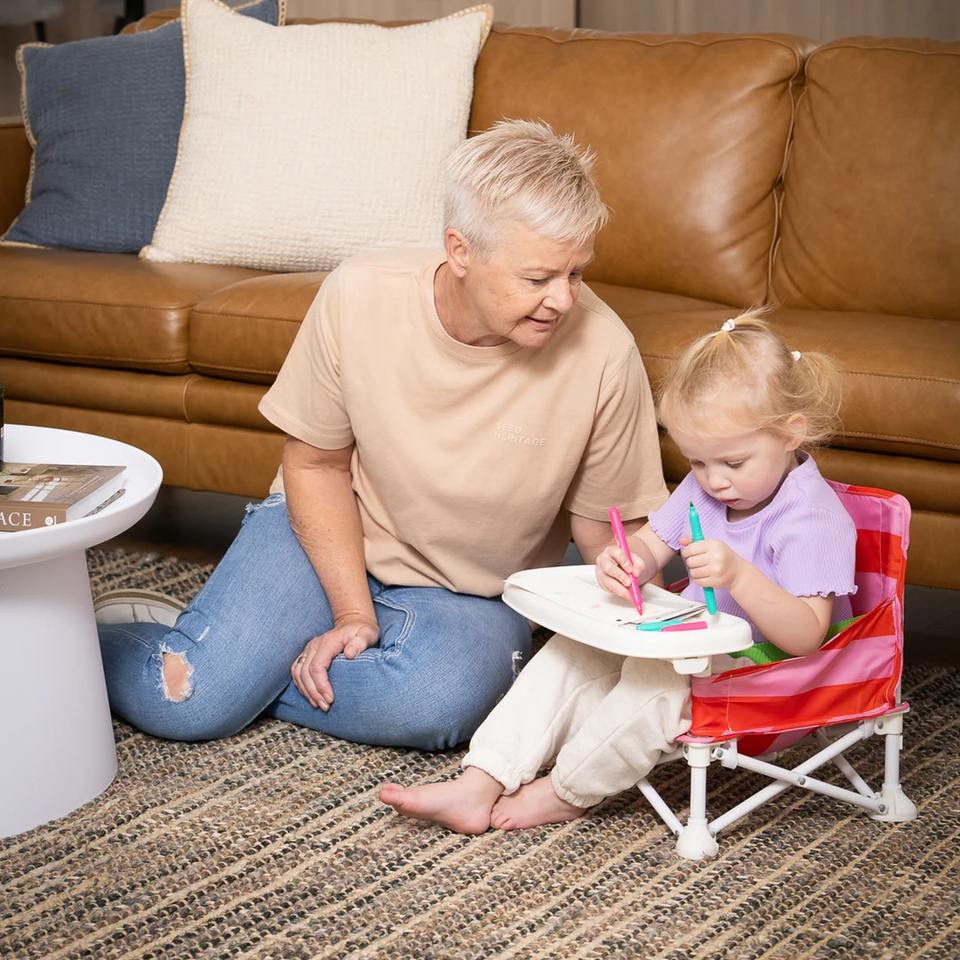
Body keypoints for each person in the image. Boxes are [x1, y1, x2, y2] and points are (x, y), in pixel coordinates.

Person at [93, 120, 670, 750]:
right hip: (327, 535)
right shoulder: (360, 293)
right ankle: (175, 658)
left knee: (435, 703)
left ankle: (235, 666)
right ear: (460, 251)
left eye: (577, 273)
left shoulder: (605, 353)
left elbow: (606, 535)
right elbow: (315, 466)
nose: (563, 300)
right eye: (537, 279)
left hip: (470, 593)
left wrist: (662, 635)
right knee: (183, 703)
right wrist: (351, 613)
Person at [379, 311, 857, 832]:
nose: (714, 481)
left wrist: (740, 577)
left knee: (654, 686)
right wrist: (629, 560)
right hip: (691, 644)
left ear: (790, 433)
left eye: (733, 463)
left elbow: (806, 638)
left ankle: (568, 790)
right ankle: (481, 779)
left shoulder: (813, 519)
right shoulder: (707, 488)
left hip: (765, 671)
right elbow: (652, 544)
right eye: (697, 463)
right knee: (569, 652)